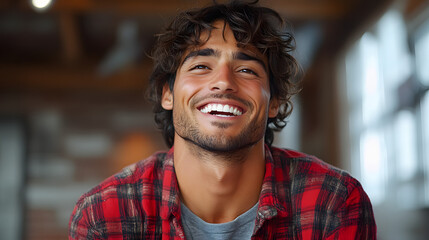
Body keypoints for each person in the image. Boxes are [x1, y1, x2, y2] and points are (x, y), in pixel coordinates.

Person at [69, 0, 376, 239]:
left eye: (247, 70)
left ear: (274, 103)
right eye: (201, 66)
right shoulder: (104, 216)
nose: (223, 81)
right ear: (168, 94)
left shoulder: (333, 202)